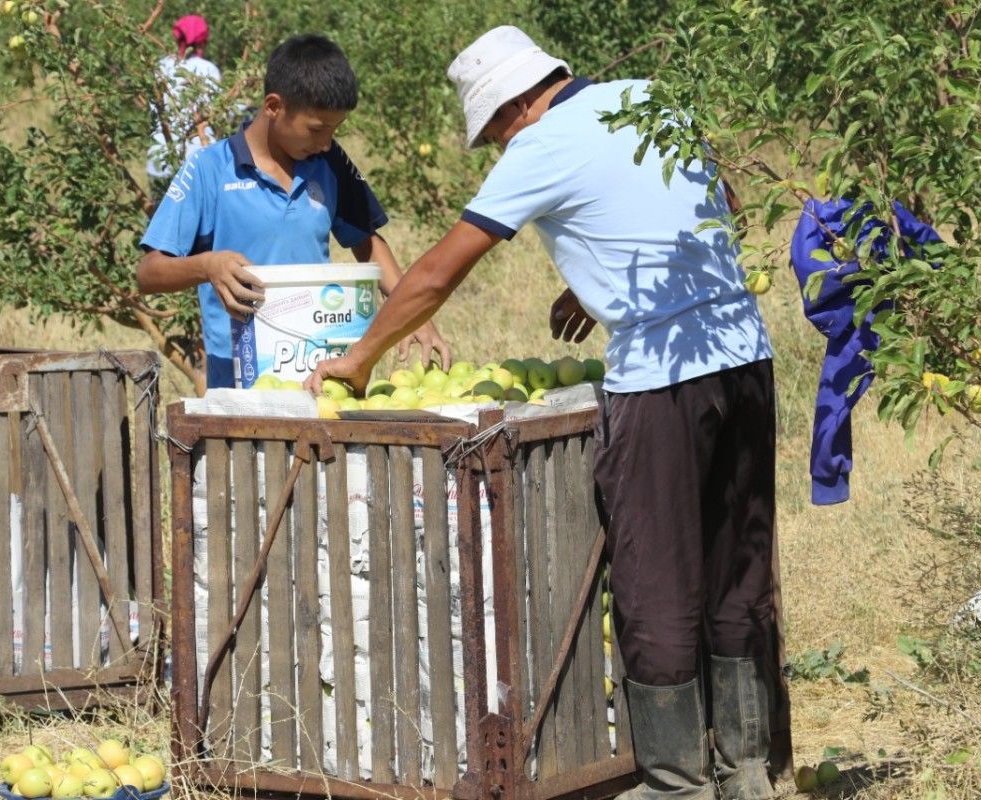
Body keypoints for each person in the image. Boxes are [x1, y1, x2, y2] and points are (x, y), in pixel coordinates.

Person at [307, 26, 777, 800]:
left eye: (492, 129)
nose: (497, 146)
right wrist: (604, 268)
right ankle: (747, 771)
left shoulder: (540, 144)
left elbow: (436, 271)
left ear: (517, 105)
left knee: (654, 573)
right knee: (737, 564)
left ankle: (675, 784)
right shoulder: (650, 100)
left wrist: (359, 360)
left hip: (662, 378)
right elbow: (720, 200)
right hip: (746, 358)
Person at [137, 33, 449, 390]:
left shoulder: (328, 162)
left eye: (335, 130)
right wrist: (207, 266)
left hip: (320, 375)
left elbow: (368, 242)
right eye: (317, 129)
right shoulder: (210, 169)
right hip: (238, 380)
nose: (327, 142)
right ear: (273, 107)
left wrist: (414, 314)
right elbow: (148, 273)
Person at [147, 14, 224, 199]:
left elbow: (153, 112)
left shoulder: (161, 67)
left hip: (160, 158)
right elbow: (218, 117)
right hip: (198, 162)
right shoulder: (209, 69)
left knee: (159, 221)